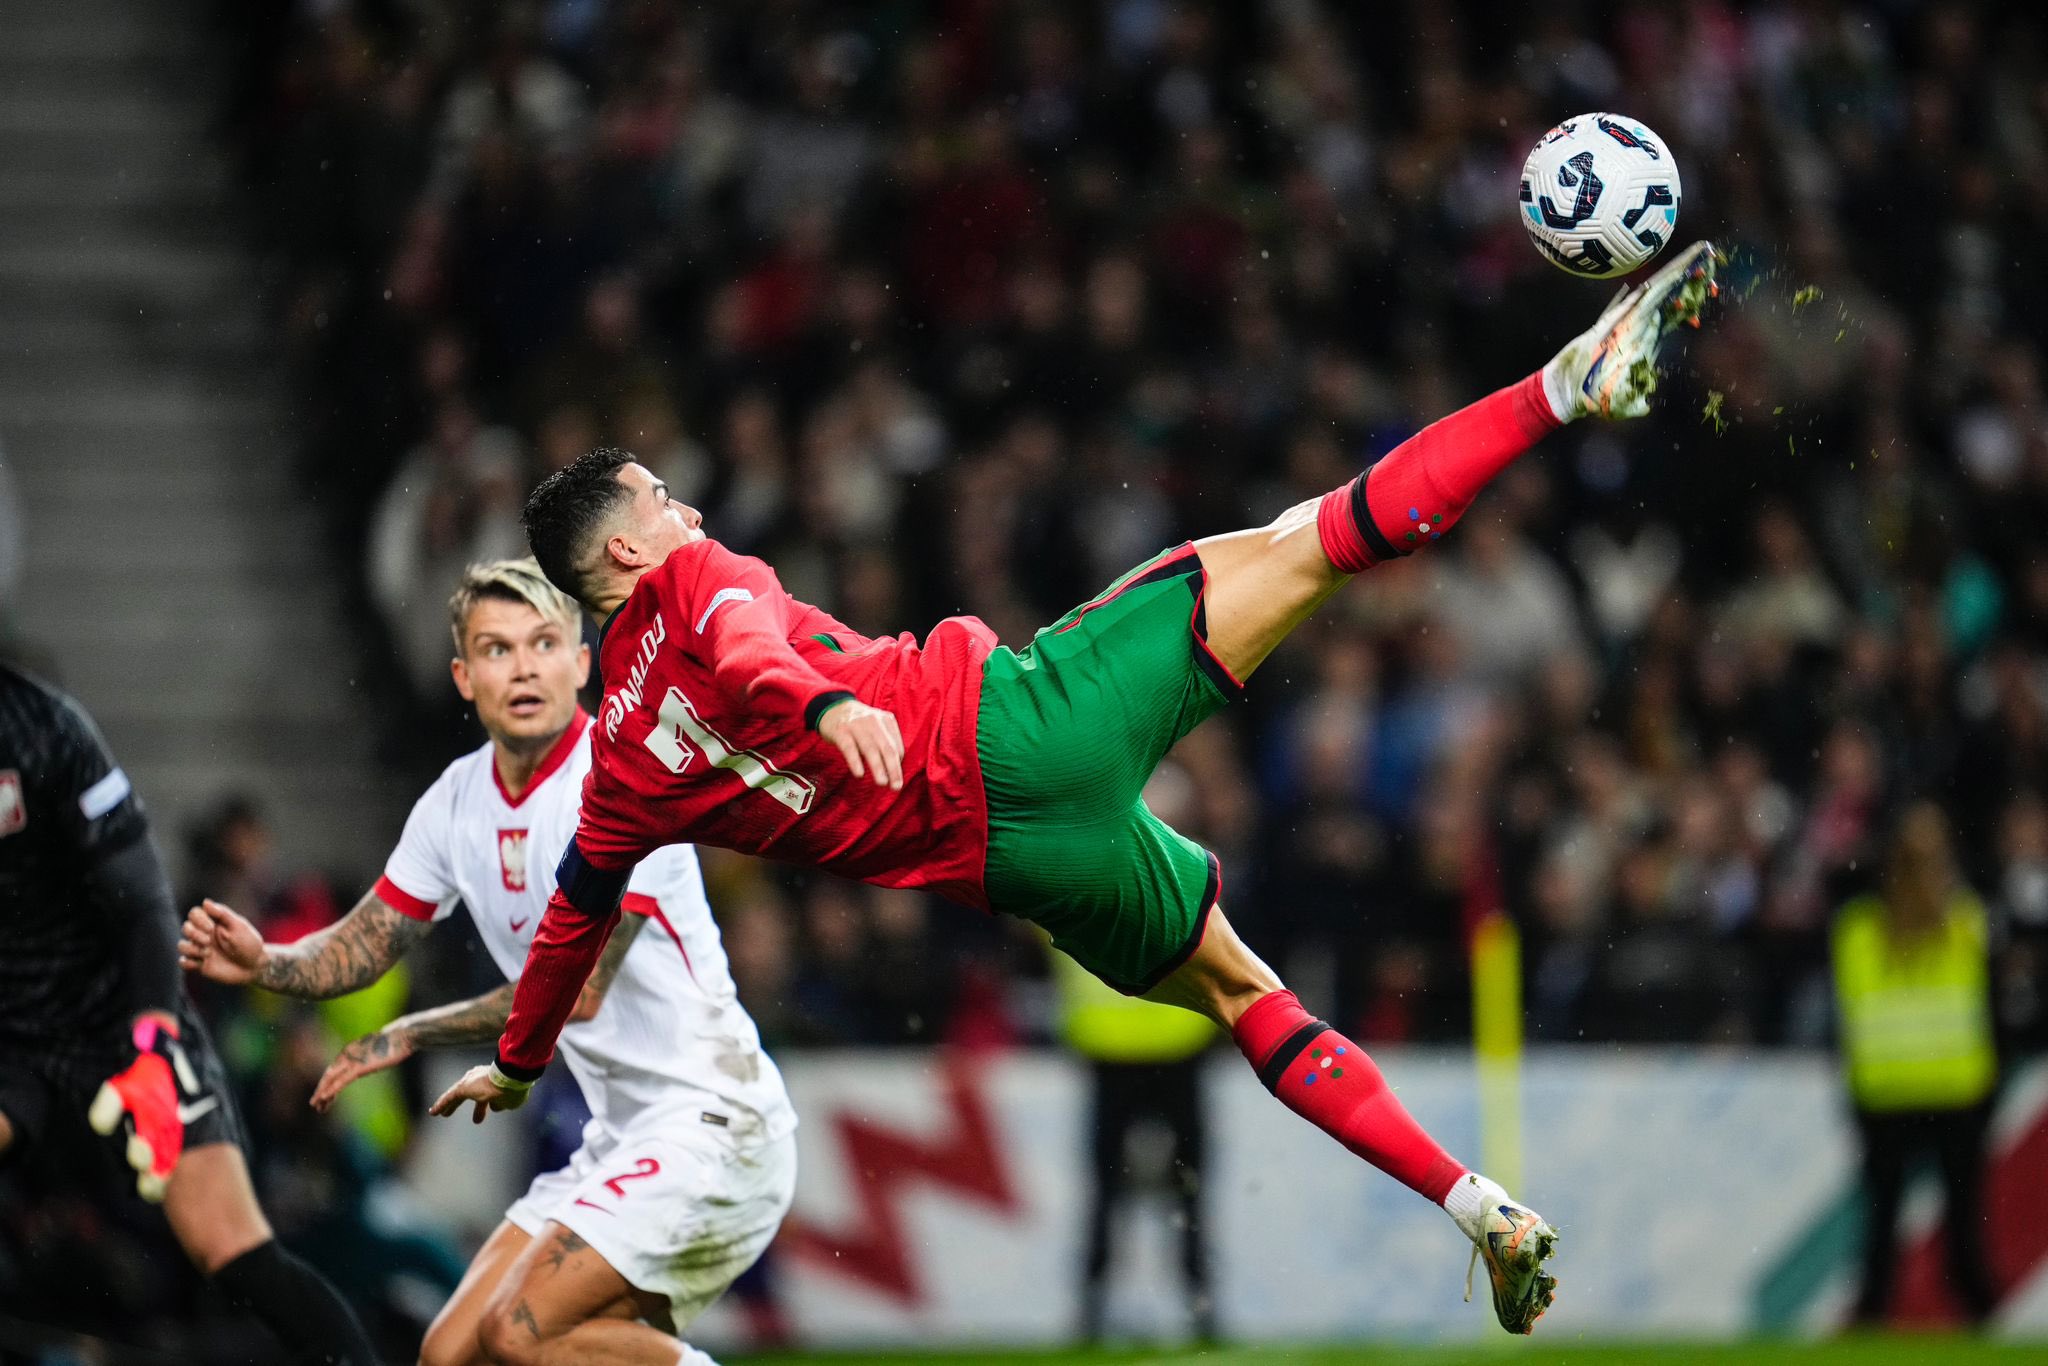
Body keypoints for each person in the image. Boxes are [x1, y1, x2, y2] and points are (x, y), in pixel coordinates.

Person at [440, 240, 1724, 1336]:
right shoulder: (694, 576)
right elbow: (749, 653)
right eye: (656, 497)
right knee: (1311, 538)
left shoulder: (614, 762)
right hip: (1022, 726)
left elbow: (570, 917)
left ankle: (1474, 1205)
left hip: (1015, 862)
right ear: (622, 546)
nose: (680, 502)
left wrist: (514, 1056)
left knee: (1242, 995)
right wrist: (827, 704)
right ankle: (1564, 387)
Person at [180, 559, 796, 1366]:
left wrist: (414, 1031)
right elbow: (365, 942)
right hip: (624, 1137)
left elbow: (575, 990)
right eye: (498, 650)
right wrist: (267, 961)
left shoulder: (625, 780)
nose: (525, 666)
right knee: (453, 1354)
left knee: (521, 1332)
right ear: (464, 679)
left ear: (582, 663)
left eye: (545, 643)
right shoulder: (455, 799)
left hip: (716, 1124)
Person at [0, 662, 379, 1365]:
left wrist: (151, 1047)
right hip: (10, 1046)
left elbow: (144, 900)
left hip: (111, 1018)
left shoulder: (45, 731)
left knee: (230, 1246)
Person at [1831, 802, 2000, 1325]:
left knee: (1882, 1230)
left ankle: (1872, 1321)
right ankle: (1979, 1318)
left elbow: (1852, 1014)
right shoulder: (1967, 922)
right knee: (1964, 1228)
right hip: (1955, 1089)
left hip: (1885, 1092)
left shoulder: (1858, 929)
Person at [1056, 948, 1217, 1342]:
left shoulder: (1078, 886)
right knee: (1188, 1188)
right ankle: (1200, 1305)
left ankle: (1092, 1311)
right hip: (1175, 1035)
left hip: (1112, 1040)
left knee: (1106, 1189)